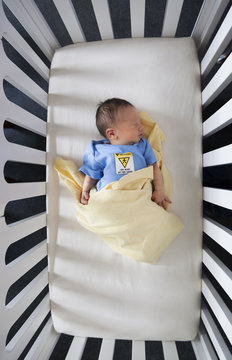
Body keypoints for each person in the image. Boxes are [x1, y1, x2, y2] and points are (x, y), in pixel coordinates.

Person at [79, 98, 171, 209]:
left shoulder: (142, 145)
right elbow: (92, 174)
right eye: (134, 124)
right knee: (100, 210)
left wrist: (159, 191)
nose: (141, 127)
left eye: (140, 123)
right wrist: (85, 190)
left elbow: (154, 167)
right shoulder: (100, 150)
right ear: (112, 133)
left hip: (138, 194)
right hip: (110, 195)